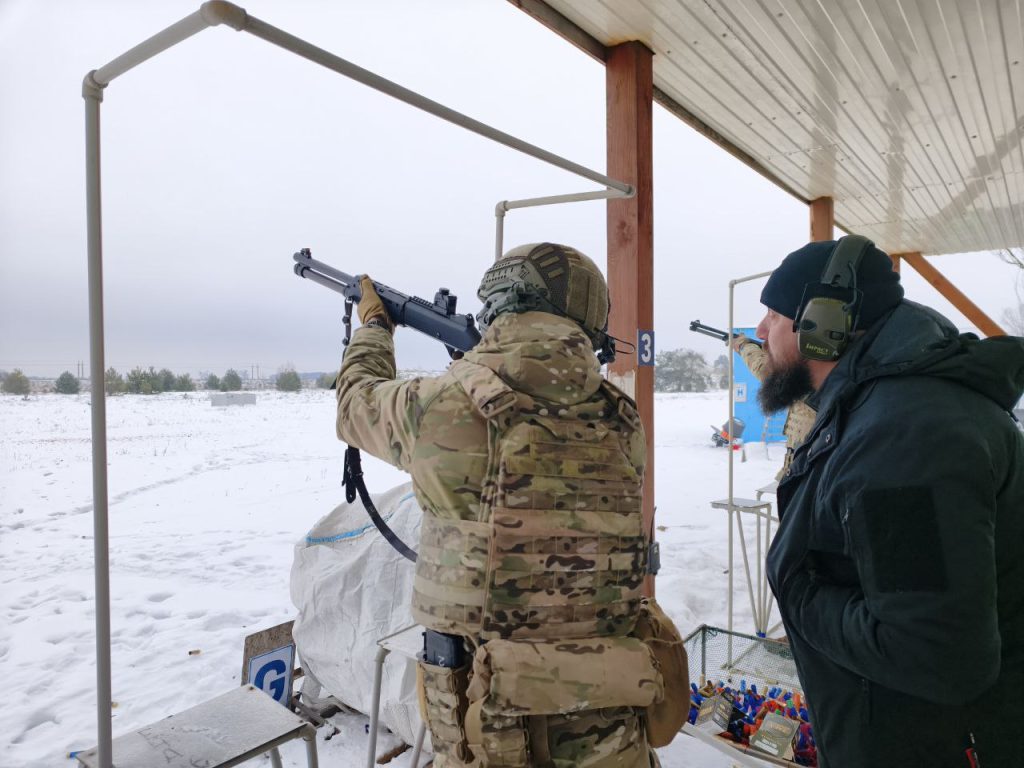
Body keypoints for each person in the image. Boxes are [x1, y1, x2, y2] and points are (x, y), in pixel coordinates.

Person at [335, 243, 683, 767]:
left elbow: (354, 400)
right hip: (612, 732)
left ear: (498, 303)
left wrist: (374, 327)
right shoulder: (623, 420)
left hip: (488, 738)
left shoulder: (437, 406)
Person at [757, 236, 1024, 767]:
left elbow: (935, 653)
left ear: (821, 325)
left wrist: (798, 591)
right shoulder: (889, 408)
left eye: (773, 314)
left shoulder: (906, 438)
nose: (761, 331)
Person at [729, 333, 816, 480]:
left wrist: (745, 346)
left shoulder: (811, 367)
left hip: (807, 474)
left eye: (775, 317)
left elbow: (767, 373)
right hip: (799, 471)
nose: (762, 330)